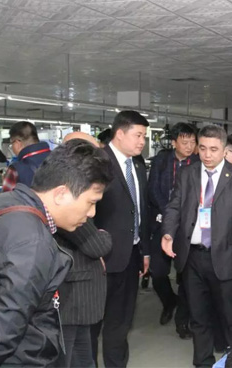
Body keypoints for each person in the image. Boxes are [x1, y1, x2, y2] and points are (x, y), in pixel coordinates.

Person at [0, 140, 111, 368]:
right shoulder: (34, 244)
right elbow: (2, 333)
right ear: (61, 194)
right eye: (91, 202)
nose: (92, 213)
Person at [161, 125, 232, 367]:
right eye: (203, 148)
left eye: (213, 149)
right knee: (199, 317)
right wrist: (168, 233)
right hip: (193, 257)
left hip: (226, 256)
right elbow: (174, 206)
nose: (207, 155)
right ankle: (203, 363)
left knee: (230, 318)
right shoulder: (188, 173)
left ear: (224, 150)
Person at [90, 110, 151, 368]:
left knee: (121, 320)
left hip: (131, 255)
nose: (142, 142)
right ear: (120, 133)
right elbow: (86, 213)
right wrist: (93, 252)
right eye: (138, 135)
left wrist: (145, 250)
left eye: (144, 136)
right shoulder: (97, 163)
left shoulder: (137, 164)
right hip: (101, 258)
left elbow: (141, 209)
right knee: (93, 322)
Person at [53, 133, 113, 368]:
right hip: (70, 298)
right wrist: (103, 235)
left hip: (78, 300)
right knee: (66, 358)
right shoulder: (70, 199)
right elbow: (98, 244)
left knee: (83, 356)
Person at [148, 122, 198, 339]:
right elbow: (152, 189)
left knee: (186, 276)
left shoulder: (197, 164)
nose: (189, 147)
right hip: (162, 221)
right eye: (185, 142)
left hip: (187, 226)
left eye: (193, 142)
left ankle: (183, 321)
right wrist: (168, 211)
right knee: (158, 271)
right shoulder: (161, 161)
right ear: (174, 142)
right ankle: (169, 301)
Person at [2, 121, 51, 192]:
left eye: (12, 144)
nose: (12, 147)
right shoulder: (58, 158)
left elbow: (6, 197)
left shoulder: (15, 169)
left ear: (17, 143)